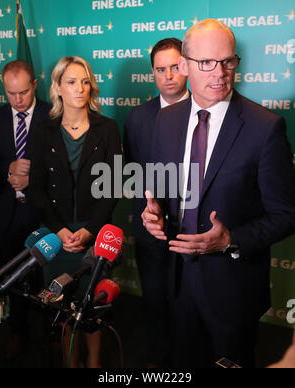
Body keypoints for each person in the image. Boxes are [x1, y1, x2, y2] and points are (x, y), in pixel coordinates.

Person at [141, 19, 295, 368]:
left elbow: (286, 215)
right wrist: (153, 217)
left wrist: (230, 240)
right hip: (178, 283)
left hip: (233, 293)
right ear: (184, 66)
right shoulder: (164, 121)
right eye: (206, 63)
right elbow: (163, 196)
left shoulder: (266, 127)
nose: (220, 73)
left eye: (228, 61)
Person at [29, 56, 122, 368]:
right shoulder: (42, 131)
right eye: (71, 81)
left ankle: (93, 364)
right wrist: (59, 230)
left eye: (84, 81)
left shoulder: (108, 129)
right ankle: (73, 363)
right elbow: (36, 188)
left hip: (93, 235)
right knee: (64, 308)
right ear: (57, 87)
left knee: (91, 308)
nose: (80, 88)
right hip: (56, 237)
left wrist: (90, 230)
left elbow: (115, 185)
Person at [124, 38, 188, 367]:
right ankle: (158, 362)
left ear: (188, 66)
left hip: (195, 234)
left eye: (175, 67)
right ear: (152, 73)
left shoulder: (207, 113)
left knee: (192, 307)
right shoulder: (137, 118)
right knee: (154, 304)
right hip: (152, 234)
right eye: (161, 69)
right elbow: (131, 172)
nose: (169, 76)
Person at [0, 60, 51, 359]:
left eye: (23, 92)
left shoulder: (51, 114)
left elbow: (63, 166)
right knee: (11, 278)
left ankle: (50, 332)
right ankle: (18, 331)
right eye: (10, 93)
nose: (17, 99)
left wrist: (32, 177)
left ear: (34, 85)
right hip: (7, 215)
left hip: (42, 212)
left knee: (46, 276)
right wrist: (7, 169)